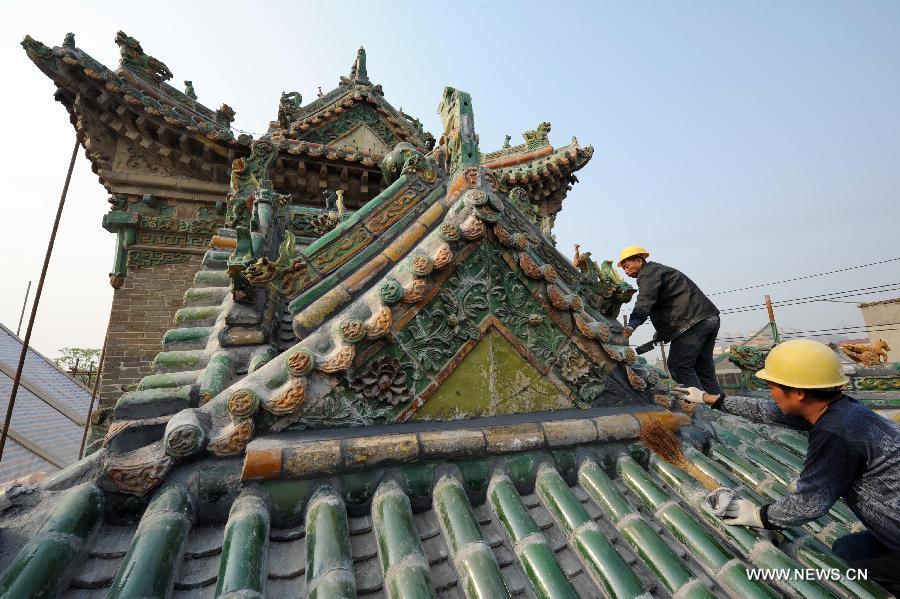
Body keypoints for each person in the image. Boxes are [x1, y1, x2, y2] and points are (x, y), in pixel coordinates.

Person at [681, 339, 900, 594]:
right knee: (849, 549)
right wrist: (709, 399)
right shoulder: (841, 409)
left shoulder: (836, 433)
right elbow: (765, 410)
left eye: (772, 385)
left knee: (848, 560)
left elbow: (810, 502)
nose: (770, 392)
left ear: (798, 392)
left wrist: (758, 515)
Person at [618, 245, 721, 395]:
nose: (626, 272)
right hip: (708, 317)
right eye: (624, 270)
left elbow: (645, 302)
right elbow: (667, 305)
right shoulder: (659, 271)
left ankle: (701, 408)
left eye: (627, 266)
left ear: (639, 260)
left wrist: (631, 326)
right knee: (703, 367)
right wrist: (661, 333)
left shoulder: (647, 274)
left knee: (679, 366)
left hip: (692, 322)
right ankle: (718, 406)